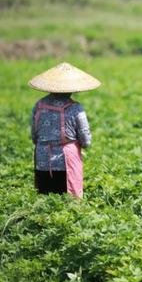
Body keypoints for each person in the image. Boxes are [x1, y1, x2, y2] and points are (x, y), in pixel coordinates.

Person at [29, 62, 101, 198]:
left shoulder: (39, 105)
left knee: (45, 199)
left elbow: (34, 135)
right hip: (66, 161)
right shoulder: (75, 108)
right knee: (68, 200)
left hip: (42, 159)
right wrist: (85, 145)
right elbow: (85, 138)